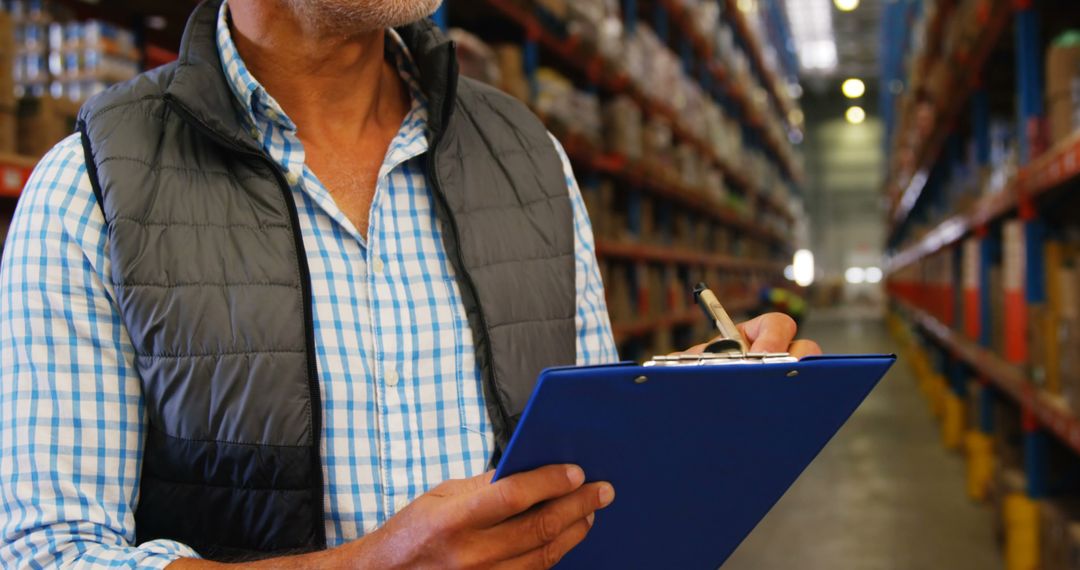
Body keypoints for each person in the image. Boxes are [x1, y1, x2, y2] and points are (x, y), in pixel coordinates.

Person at [0, 0, 821, 567]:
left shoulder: (530, 162)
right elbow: (50, 555)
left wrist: (689, 409)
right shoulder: (93, 190)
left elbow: (579, 494)